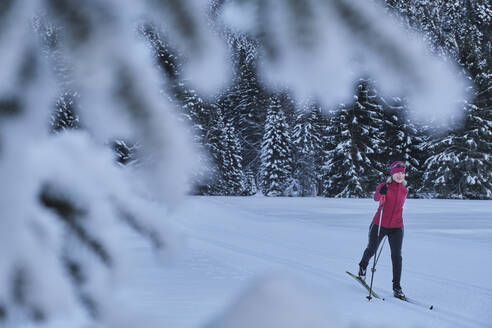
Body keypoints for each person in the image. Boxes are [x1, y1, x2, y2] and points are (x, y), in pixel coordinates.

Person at [358, 161, 408, 299]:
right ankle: (363, 266)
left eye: (402, 173)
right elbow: (376, 198)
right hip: (380, 224)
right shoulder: (384, 186)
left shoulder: (405, 190)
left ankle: (397, 287)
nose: (400, 175)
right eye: (397, 172)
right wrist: (381, 192)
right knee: (372, 249)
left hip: (397, 227)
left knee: (397, 257)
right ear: (392, 174)